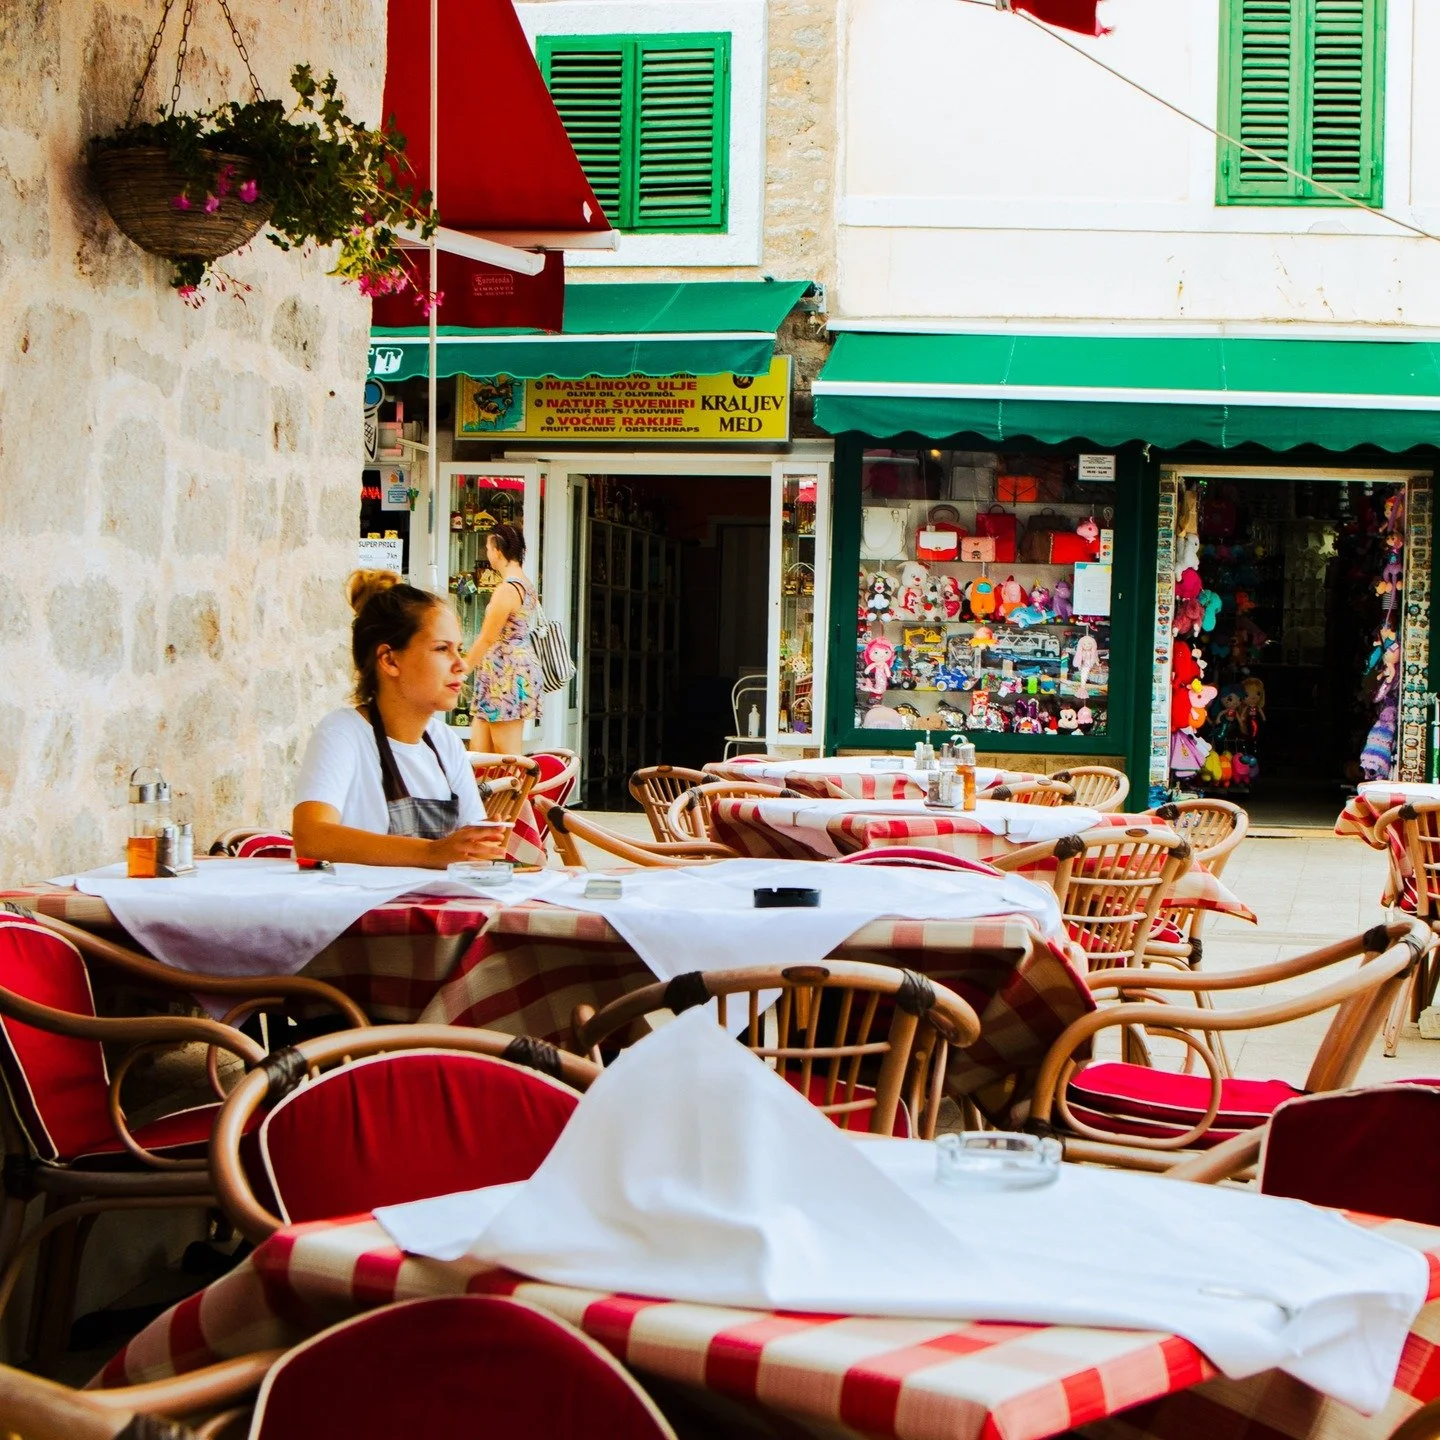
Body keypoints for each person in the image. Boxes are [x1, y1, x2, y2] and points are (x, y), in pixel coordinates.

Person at [292, 570, 508, 868]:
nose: (460, 664)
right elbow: (312, 838)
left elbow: (473, 853)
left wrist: (481, 843)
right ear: (390, 660)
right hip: (360, 911)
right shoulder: (344, 733)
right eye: (442, 649)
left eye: (458, 649)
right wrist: (430, 853)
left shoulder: (445, 743)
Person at [466, 522, 542, 755]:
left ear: (498, 550)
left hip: (503, 675)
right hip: (502, 673)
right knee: (480, 755)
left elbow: (487, 638)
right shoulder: (525, 584)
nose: (487, 554)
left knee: (506, 759)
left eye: (488, 548)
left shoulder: (508, 589)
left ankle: (522, 792)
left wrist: (460, 671)